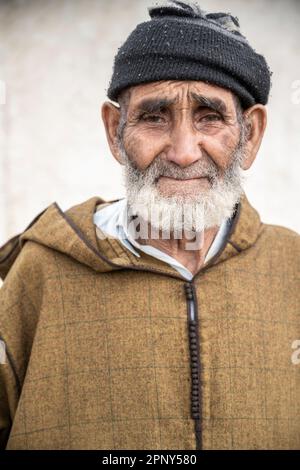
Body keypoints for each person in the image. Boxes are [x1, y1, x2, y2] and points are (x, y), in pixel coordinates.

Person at [0, 0, 299, 450]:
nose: (182, 152)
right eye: (154, 117)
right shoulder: (40, 273)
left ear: (250, 134)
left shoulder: (292, 268)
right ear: (115, 130)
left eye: (210, 117)